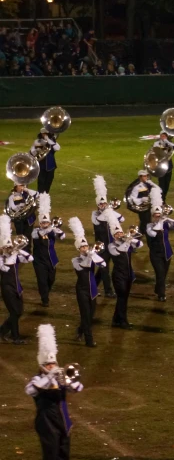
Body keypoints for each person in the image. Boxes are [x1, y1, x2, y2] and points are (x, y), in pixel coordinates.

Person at [26, 324, 84, 459]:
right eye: (48, 364)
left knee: (64, 451)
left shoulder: (61, 378)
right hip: (46, 421)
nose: (52, 366)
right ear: (42, 366)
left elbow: (78, 388)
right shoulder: (37, 379)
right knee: (51, 454)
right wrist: (50, 376)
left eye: (53, 364)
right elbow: (30, 390)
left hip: (63, 419)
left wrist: (68, 381)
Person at [68, 217, 104, 347]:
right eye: (82, 247)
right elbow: (83, 266)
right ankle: (89, 340)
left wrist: (94, 254)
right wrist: (90, 255)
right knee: (86, 315)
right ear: (78, 249)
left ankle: (80, 330)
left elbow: (104, 264)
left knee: (91, 314)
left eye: (85, 246)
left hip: (93, 289)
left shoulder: (91, 255)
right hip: (82, 290)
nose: (84, 248)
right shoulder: (75, 260)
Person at [0, 214, 33, 344]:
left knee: (19, 312)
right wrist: (7, 255)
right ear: (2, 248)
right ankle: (15, 337)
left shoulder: (15, 255)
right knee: (14, 312)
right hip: (7, 287)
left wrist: (18, 250)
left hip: (17, 287)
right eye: (6, 248)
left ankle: (2, 330)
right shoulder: (1, 259)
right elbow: (5, 269)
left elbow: (31, 259)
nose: (9, 249)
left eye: (10, 247)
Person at [107, 209, 142, 330]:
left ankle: (116, 319)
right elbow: (121, 250)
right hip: (118, 275)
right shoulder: (111, 246)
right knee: (121, 297)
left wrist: (130, 237)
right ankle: (123, 321)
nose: (119, 235)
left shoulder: (126, 241)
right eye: (116, 234)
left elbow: (140, 244)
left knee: (124, 298)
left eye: (120, 233)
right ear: (113, 236)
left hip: (128, 274)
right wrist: (127, 240)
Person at [146, 187, 174, 303]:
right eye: (155, 215)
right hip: (156, 254)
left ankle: (158, 289)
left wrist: (167, 218)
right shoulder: (149, 226)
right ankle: (161, 294)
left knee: (163, 275)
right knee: (160, 274)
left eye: (158, 214)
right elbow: (153, 233)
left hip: (167, 253)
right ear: (152, 215)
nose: (157, 216)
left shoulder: (165, 223)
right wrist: (161, 220)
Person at [30, 194, 64, 307]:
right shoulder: (35, 231)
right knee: (42, 281)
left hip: (51, 260)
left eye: (47, 223)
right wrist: (50, 228)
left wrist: (57, 230)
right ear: (40, 223)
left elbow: (63, 237)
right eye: (43, 223)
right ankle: (45, 299)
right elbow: (39, 235)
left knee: (51, 279)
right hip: (39, 261)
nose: (45, 224)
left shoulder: (52, 229)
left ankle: (46, 292)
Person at [91, 176, 120, 298]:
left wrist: (110, 211)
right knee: (104, 268)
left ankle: (94, 284)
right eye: (101, 204)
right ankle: (108, 290)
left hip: (113, 244)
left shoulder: (110, 212)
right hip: (102, 246)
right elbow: (97, 221)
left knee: (107, 268)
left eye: (104, 203)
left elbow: (121, 218)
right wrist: (107, 212)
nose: (103, 205)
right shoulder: (95, 214)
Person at [30, 128, 60, 193]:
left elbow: (57, 148)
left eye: (46, 134)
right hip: (41, 165)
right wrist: (37, 150)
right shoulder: (37, 141)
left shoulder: (52, 142)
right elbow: (32, 152)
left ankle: (46, 195)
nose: (45, 135)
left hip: (51, 165)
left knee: (48, 182)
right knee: (41, 182)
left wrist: (48, 140)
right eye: (43, 134)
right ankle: (40, 195)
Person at [152, 131, 174, 200]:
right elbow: (155, 149)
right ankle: (161, 199)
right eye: (162, 136)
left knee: (167, 184)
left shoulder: (169, 143)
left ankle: (164, 197)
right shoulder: (156, 143)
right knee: (161, 184)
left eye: (165, 136)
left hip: (169, 166)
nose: (163, 137)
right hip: (160, 166)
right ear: (160, 136)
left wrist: (167, 142)